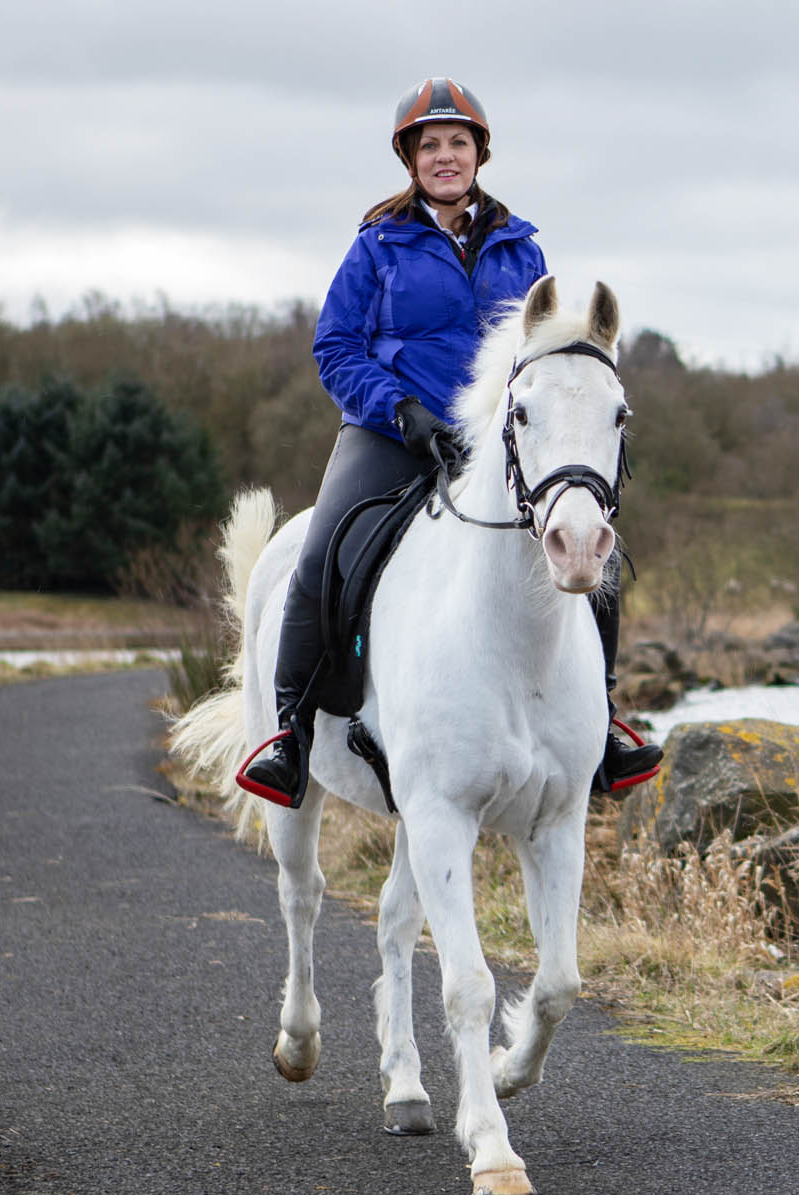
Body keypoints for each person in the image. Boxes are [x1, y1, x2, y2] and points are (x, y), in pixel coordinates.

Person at [238, 76, 661, 810]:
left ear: (478, 153)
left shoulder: (521, 249)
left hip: (493, 446)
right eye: (429, 145)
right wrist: (399, 409)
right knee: (320, 552)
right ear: (410, 157)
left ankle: (604, 723)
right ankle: (290, 734)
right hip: (391, 432)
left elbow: (544, 360)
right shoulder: (377, 246)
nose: (445, 156)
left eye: (457, 143)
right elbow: (336, 346)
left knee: (593, 544)